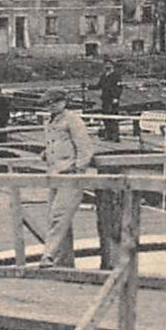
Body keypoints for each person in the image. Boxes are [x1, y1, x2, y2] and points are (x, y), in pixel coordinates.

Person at [37, 88, 115, 269]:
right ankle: (62, 261)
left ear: (64, 102)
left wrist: (78, 170)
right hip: (55, 174)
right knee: (55, 217)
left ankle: (48, 255)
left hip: (70, 175)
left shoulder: (72, 119)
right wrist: (46, 154)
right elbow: (55, 144)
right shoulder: (50, 121)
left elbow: (84, 147)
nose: (51, 106)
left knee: (59, 216)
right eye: (48, 103)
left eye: (55, 102)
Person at [93, 61, 125, 141]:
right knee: (105, 117)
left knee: (113, 117)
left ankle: (115, 136)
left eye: (109, 65)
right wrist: (88, 86)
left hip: (113, 99)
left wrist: (116, 97)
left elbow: (119, 88)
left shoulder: (116, 76)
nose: (107, 66)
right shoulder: (103, 76)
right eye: (106, 65)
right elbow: (98, 86)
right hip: (105, 99)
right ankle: (108, 135)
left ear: (112, 66)